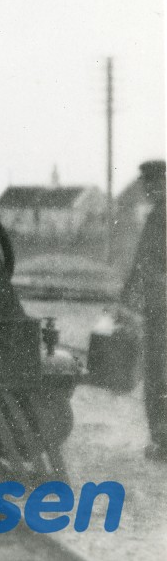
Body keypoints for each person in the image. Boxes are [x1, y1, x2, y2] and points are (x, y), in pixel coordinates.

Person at [120, 159, 166, 460]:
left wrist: (127, 297)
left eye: (151, 184)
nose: (148, 190)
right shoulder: (156, 215)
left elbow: (144, 262)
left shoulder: (158, 217)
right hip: (158, 303)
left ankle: (162, 442)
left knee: (157, 373)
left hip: (161, 305)